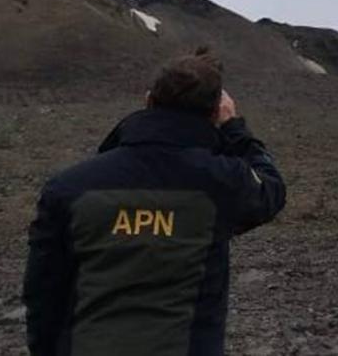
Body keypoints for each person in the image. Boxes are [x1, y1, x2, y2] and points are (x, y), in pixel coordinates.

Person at [22, 49, 286, 355]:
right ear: (216, 113)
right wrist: (235, 128)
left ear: (148, 101)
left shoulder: (68, 187)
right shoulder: (222, 183)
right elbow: (271, 190)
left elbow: (43, 292)